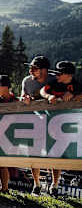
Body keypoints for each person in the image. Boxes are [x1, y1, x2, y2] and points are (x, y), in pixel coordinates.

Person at [40, 61, 82, 196]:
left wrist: (76, 97)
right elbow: (43, 90)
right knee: (55, 152)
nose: (56, 75)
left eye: (59, 73)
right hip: (55, 123)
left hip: (74, 124)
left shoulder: (77, 84)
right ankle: (55, 183)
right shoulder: (54, 83)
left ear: (68, 74)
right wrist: (49, 96)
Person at [21, 55, 57, 195]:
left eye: (34, 68)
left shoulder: (55, 80)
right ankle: (37, 185)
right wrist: (25, 98)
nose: (31, 71)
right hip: (35, 121)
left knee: (56, 153)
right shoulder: (27, 81)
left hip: (55, 121)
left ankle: (54, 185)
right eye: (30, 68)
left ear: (44, 70)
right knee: (33, 153)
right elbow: (22, 96)